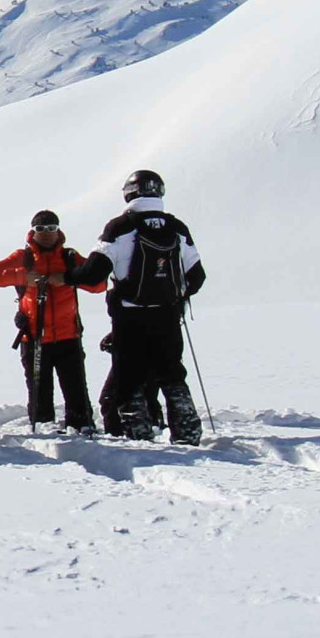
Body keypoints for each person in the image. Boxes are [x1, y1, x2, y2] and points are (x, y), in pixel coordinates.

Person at [57, 169, 206, 444]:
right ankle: (186, 430)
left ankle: (138, 434)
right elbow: (197, 276)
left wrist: (67, 275)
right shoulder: (177, 228)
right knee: (172, 372)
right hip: (168, 315)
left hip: (130, 316)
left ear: (129, 194)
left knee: (129, 376)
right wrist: (175, 297)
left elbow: (93, 273)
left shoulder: (120, 227)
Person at [0, 210, 103, 432]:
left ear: (58, 230)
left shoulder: (69, 257)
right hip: (34, 336)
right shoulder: (24, 256)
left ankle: (82, 428)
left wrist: (68, 278)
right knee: (39, 391)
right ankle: (43, 430)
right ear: (32, 232)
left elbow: (99, 284)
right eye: (41, 229)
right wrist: (22, 276)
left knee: (76, 389)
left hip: (69, 336)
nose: (47, 233)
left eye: (51, 228)